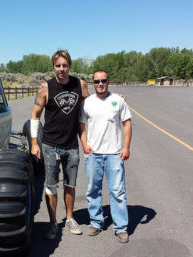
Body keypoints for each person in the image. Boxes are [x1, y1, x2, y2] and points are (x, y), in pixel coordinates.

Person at [30, 49, 89, 240]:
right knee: (51, 186)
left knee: (70, 184)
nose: (61, 69)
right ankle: (53, 223)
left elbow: (91, 108)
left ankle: (70, 218)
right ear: (53, 67)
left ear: (69, 65)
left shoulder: (80, 84)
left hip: (71, 145)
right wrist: (34, 143)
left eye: (64, 65)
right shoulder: (46, 88)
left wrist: (113, 99)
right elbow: (35, 116)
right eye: (58, 65)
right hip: (50, 145)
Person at [79, 70, 132, 243]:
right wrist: (84, 144)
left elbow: (127, 124)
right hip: (93, 154)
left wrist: (126, 147)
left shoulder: (117, 101)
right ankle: (96, 221)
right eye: (96, 81)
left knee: (117, 191)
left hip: (114, 154)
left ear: (108, 82)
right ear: (93, 83)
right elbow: (82, 126)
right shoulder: (87, 103)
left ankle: (121, 227)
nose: (100, 84)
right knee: (93, 189)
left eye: (103, 81)